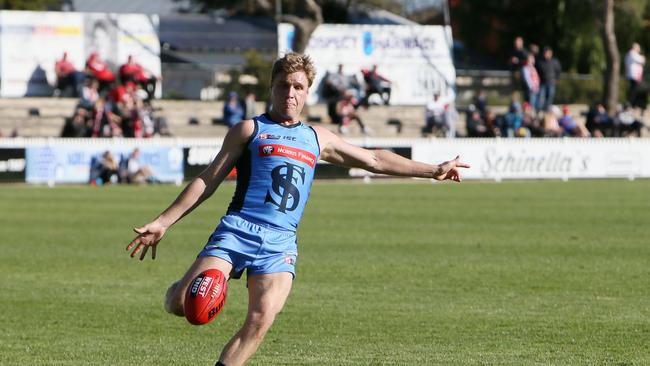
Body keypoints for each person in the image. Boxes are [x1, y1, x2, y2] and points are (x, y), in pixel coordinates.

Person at [125, 52, 469, 366]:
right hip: (238, 230)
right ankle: (178, 289)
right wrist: (163, 222)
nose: (290, 93)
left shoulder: (318, 138)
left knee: (259, 322)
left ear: (307, 93)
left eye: (298, 87)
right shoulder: (249, 129)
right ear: (272, 88)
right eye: (283, 85)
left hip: (280, 244)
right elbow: (208, 179)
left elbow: (376, 159)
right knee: (184, 305)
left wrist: (433, 170)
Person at [537, 47, 561, 112]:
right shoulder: (540, 62)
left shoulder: (555, 62)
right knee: (541, 99)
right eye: (545, 53)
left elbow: (558, 71)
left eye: (547, 53)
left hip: (551, 83)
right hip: (542, 83)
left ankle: (547, 111)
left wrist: (557, 79)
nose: (546, 54)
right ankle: (540, 111)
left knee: (550, 98)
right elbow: (536, 73)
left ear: (551, 54)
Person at [624, 43, 646, 109]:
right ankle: (631, 103)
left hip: (635, 75)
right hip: (634, 75)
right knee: (633, 89)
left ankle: (633, 102)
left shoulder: (630, 54)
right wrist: (642, 58)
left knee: (634, 89)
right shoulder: (632, 53)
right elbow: (641, 60)